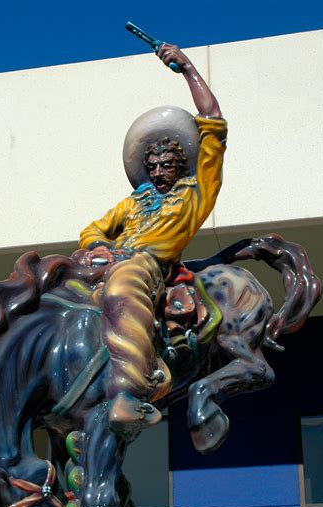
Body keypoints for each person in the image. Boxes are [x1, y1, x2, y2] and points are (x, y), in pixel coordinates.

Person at [78, 44, 227, 437]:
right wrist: (99, 248)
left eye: (168, 163)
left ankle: (131, 392)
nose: (160, 170)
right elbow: (93, 229)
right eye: (153, 164)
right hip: (110, 260)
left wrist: (188, 69)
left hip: (148, 268)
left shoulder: (198, 191)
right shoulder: (133, 203)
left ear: (183, 163)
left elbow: (213, 120)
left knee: (125, 282)